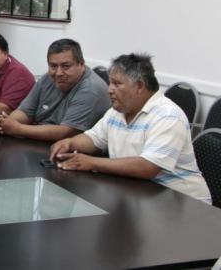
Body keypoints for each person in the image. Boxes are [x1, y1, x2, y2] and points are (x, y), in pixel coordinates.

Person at [50, 54, 211, 203]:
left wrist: (91, 163)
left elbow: (147, 167)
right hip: (141, 193)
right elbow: (94, 138)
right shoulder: (118, 111)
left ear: (139, 86)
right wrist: (70, 143)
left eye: (117, 83)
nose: (109, 89)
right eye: (110, 82)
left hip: (182, 202)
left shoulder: (167, 116)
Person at [0, 38, 110, 141]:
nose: (58, 73)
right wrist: (6, 122)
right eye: (53, 66)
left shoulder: (91, 89)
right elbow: (25, 111)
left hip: (69, 149)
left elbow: (66, 132)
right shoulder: (48, 78)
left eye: (66, 66)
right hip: (38, 139)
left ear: (81, 64)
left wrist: (17, 128)